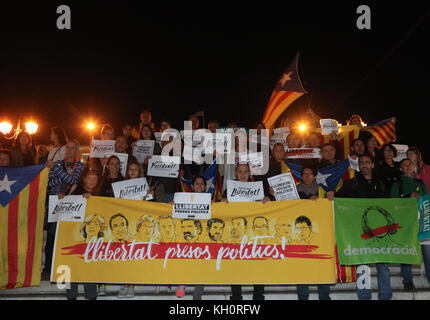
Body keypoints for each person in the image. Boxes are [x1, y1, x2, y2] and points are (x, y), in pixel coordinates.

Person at [336, 154, 392, 300]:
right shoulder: (350, 184)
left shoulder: (382, 183)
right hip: (359, 231)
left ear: (372, 165)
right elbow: (338, 202)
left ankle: (385, 295)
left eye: (367, 162)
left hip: (380, 231)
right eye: (361, 163)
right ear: (358, 166)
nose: (364, 165)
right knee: (362, 264)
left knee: (383, 265)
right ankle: (364, 296)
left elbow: (392, 204)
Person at [221, 163, 270, 300]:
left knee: (257, 262)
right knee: (236, 264)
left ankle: (258, 295)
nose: (242, 174)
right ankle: (236, 296)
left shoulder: (259, 188)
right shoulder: (229, 189)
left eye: (245, 171)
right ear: (235, 174)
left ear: (250, 173)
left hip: (254, 233)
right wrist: (223, 202)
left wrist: (268, 199)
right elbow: (221, 208)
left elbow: (269, 204)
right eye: (240, 172)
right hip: (236, 234)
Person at [42, 139, 84, 280]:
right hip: (55, 204)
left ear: (77, 150)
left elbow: (74, 181)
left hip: (72, 206)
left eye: (73, 148)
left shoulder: (81, 165)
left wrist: (57, 170)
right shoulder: (58, 164)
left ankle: (66, 268)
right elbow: (49, 182)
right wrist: (62, 175)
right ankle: (47, 269)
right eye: (68, 148)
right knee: (51, 238)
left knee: (68, 238)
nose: (70, 150)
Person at [291, 166, 332, 300]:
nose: (307, 176)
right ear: (301, 176)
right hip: (300, 234)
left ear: (315, 176)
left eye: (310, 174)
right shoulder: (293, 190)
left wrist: (325, 199)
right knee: (302, 266)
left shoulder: (322, 190)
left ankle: (324, 296)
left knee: (322, 265)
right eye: (304, 174)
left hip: (320, 233)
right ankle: (302, 296)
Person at [390, 158, 429, 292]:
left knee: (427, 252)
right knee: (407, 251)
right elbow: (393, 202)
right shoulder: (397, 184)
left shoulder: (420, 182)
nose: (407, 167)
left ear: (413, 167)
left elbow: (426, 199)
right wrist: (408, 196)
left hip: (422, 221)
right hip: (405, 221)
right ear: (401, 169)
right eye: (404, 165)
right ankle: (407, 281)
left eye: (409, 164)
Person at [64, 165, 102, 300]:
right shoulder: (75, 191)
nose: (92, 181)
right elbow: (65, 208)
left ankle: (91, 295)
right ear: (84, 179)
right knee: (73, 265)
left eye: (95, 179)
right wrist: (77, 196)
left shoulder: (101, 194)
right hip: (74, 236)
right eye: (89, 178)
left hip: (93, 240)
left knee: (90, 266)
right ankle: (71, 295)